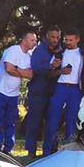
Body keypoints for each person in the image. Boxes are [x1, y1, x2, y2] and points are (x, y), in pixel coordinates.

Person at [0, 30, 36, 154]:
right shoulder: (12, 51)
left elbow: (30, 75)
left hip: (13, 93)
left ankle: (8, 148)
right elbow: (9, 69)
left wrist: (17, 69)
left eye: (35, 40)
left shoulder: (29, 56)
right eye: (32, 40)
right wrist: (21, 71)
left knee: (11, 121)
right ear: (24, 40)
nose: (34, 43)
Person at [25, 28, 63, 156]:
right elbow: (35, 68)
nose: (55, 40)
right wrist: (50, 66)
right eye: (52, 37)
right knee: (34, 122)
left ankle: (51, 150)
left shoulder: (60, 51)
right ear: (47, 36)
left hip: (53, 92)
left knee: (52, 122)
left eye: (57, 37)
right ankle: (31, 150)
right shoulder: (39, 50)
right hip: (38, 90)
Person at [47, 29, 84, 153]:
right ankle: (48, 150)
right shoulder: (60, 53)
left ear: (77, 39)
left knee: (72, 120)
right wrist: (59, 70)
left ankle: (69, 152)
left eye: (71, 40)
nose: (68, 42)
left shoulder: (83, 54)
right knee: (53, 119)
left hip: (75, 89)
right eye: (66, 40)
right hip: (60, 87)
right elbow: (49, 74)